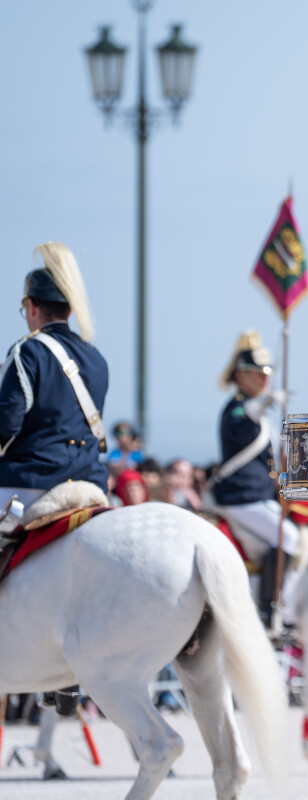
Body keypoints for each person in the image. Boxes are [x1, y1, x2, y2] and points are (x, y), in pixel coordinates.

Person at [0, 242, 108, 717]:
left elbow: (6, 425)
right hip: (89, 484)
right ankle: (64, 678)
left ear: (33, 307)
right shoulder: (96, 358)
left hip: (32, 483)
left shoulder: (27, 352)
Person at [207, 330, 295, 627]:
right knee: (290, 538)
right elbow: (246, 415)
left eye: (267, 373)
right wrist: (267, 401)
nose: (264, 379)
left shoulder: (256, 410)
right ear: (241, 375)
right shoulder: (235, 408)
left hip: (258, 495)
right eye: (257, 373)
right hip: (240, 497)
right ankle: (269, 610)